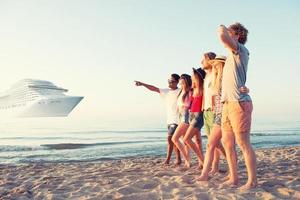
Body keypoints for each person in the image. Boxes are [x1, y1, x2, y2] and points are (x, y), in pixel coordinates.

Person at [218, 22, 256, 190]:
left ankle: (252, 181)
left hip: (239, 103)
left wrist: (222, 26)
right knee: (227, 142)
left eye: (230, 31)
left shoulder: (239, 49)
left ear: (238, 35)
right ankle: (234, 178)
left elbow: (222, 35)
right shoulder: (230, 56)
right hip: (227, 103)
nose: (227, 33)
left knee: (243, 143)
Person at [134, 74, 182, 166]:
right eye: (169, 80)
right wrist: (142, 84)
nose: (169, 82)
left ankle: (168, 160)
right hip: (169, 119)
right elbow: (154, 88)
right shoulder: (166, 91)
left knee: (170, 139)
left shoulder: (180, 91)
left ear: (177, 82)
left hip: (177, 120)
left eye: (172, 81)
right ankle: (178, 159)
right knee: (174, 140)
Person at [197, 55, 227, 181]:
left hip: (218, 112)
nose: (201, 62)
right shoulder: (207, 77)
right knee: (213, 144)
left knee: (213, 143)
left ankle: (208, 171)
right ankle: (214, 167)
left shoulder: (219, 76)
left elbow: (218, 96)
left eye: (203, 60)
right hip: (208, 111)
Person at [183, 68, 206, 168]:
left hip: (199, 115)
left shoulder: (203, 89)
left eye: (193, 76)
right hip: (191, 115)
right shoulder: (193, 89)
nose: (191, 77)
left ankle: (204, 161)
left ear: (197, 77)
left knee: (186, 139)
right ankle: (201, 163)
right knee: (197, 140)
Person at [171, 74, 192, 168]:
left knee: (174, 138)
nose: (181, 83)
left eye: (182, 82)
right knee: (185, 142)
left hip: (186, 117)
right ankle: (188, 162)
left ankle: (187, 159)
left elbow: (189, 105)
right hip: (180, 117)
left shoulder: (190, 92)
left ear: (186, 82)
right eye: (180, 82)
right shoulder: (180, 92)